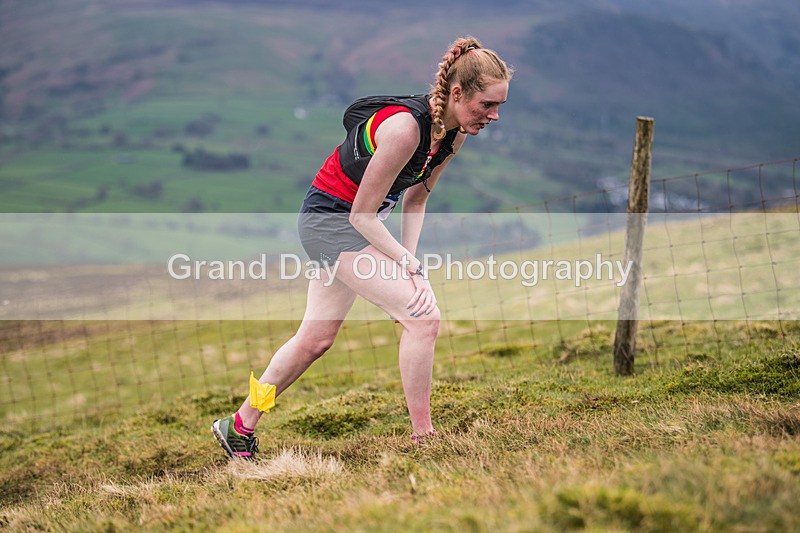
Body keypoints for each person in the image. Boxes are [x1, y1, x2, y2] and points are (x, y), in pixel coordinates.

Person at [212, 36, 512, 459]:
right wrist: (408, 266)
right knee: (423, 318)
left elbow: (416, 199)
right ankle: (424, 438)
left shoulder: (452, 135)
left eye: (499, 105)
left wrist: (410, 263)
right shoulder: (405, 130)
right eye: (487, 104)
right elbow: (361, 216)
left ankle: (239, 424)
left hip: (354, 225)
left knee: (315, 340)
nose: (494, 115)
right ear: (458, 93)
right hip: (332, 225)